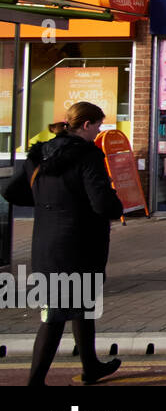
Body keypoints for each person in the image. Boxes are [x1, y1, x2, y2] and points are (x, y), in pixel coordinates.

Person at [2, 102, 124, 385]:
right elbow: (102, 203)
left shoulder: (40, 154)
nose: (98, 131)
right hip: (78, 246)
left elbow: (11, 192)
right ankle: (35, 381)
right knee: (56, 315)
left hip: (47, 242)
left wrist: (48, 203)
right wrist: (115, 203)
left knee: (82, 306)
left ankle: (91, 366)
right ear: (85, 125)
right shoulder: (88, 156)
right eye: (97, 125)